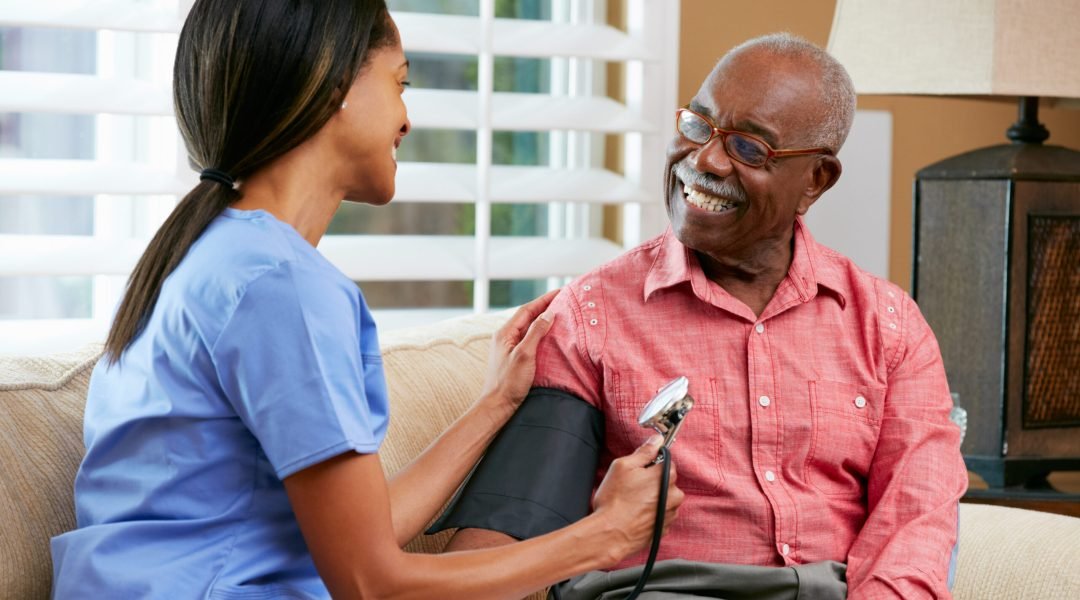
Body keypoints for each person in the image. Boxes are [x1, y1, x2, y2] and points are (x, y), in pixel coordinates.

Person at [49, 1, 684, 598]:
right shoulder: (281, 287)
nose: (407, 119)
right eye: (399, 82)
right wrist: (603, 539)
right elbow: (370, 583)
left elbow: (364, 536)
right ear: (334, 85)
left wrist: (495, 404)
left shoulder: (207, 257)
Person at [439, 33, 968, 599]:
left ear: (815, 180)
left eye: (748, 149)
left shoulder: (889, 327)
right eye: (697, 126)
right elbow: (501, 540)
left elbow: (916, 520)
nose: (706, 160)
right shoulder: (590, 318)